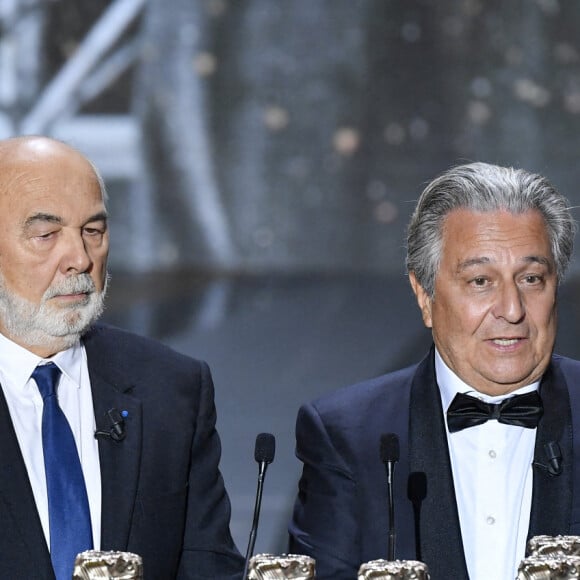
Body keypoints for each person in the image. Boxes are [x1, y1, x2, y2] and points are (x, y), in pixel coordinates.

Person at [288, 161, 580, 580]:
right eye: (481, 281)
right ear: (424, 296)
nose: (513, 310)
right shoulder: (347, 436)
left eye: (532, 278)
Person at [0, 135, 244, 579]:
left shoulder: (172, 389)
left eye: (93, 230)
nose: (79, 257)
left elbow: (208, 565)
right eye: (46, 233)